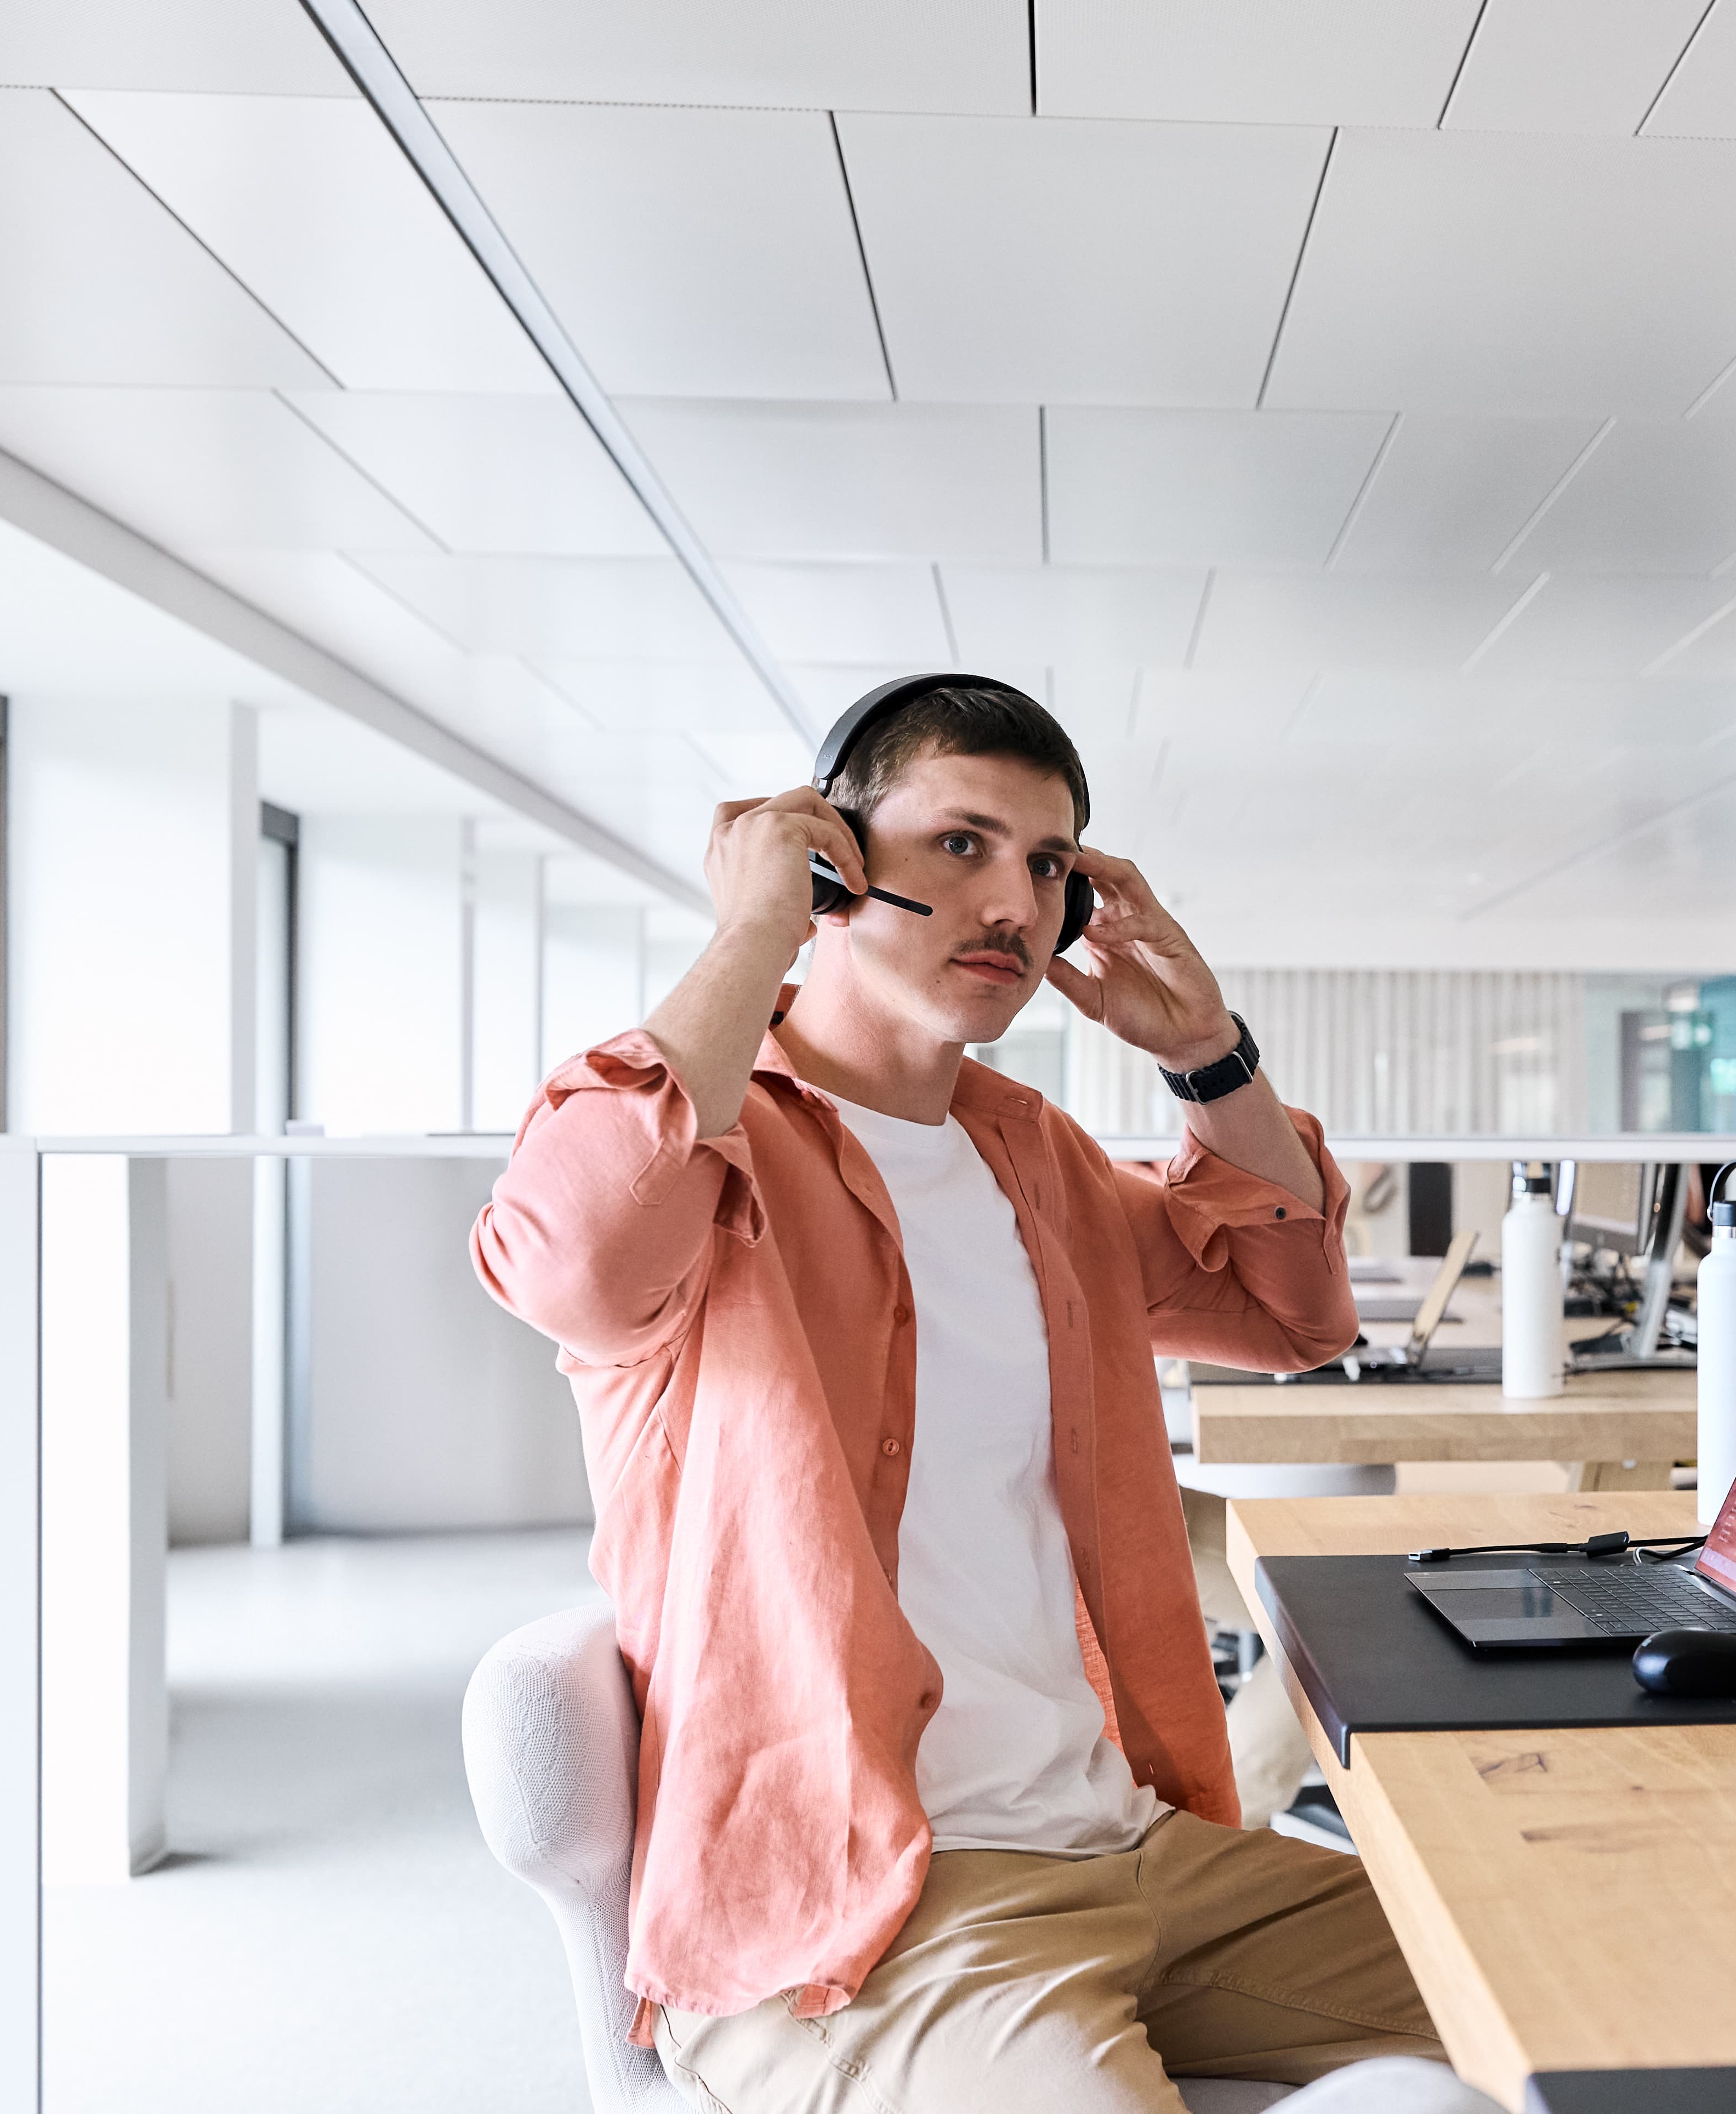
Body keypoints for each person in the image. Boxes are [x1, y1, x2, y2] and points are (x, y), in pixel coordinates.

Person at [474, 679, 1450, 2112]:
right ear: (833, 861)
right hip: (863, 1917)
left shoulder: (1034, 1160)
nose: (1016, 902)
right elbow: (568, 1260)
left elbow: (1287, 1314)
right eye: (961, 846)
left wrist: (1205, 1053)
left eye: (1050, 865)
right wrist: (757, 930)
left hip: (1136, 1850)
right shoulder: (714, 1153)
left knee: (1586, 2005)